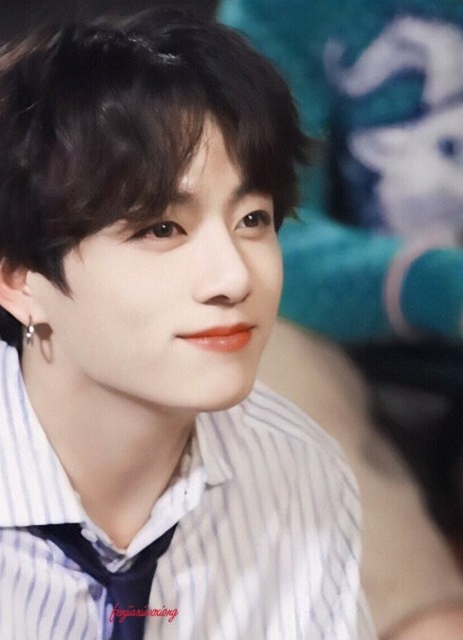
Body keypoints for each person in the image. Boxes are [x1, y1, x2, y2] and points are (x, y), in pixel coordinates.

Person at [0, 9, 374, 639]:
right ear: (17, 278)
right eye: (161, 229)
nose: (233, 277)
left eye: (253, 220)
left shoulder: (299, 471)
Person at [218, 0, 463, 638]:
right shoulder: (277, 16)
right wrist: (438, 287)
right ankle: (425, 621)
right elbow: (255, 233)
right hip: (354, 351)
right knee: (245, 347)